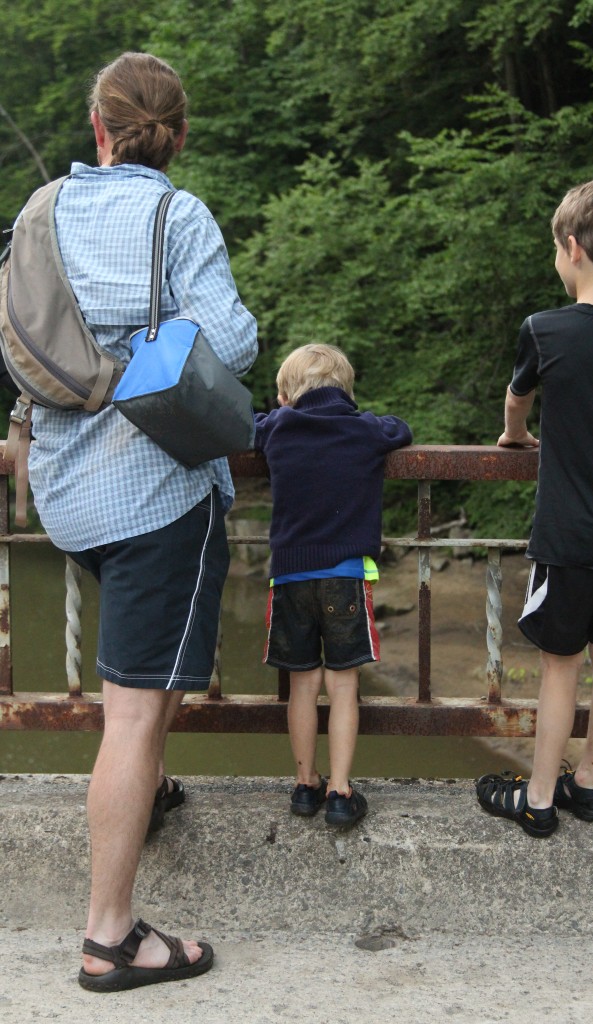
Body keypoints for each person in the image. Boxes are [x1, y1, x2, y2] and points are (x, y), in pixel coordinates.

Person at [25, 52, 258, 988]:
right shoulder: (178, 214)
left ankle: (147, 796)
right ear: (178, 135)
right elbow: (232, 341)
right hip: (157, 491)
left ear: (97, 127)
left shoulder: (41, 213)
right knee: (131, 710)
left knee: (141, 677)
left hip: (68, 497)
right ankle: (110, 938)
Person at [475, 177, 593, 838]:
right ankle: (589, 784)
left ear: (575, 247)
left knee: (562, 668)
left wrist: (515, 437)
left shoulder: (545, 329)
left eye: (556, 247)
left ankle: (536, 798)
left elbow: (516, 401)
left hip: (565, 536)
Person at [254, 344, 412, 827]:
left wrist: (277, 412)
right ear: (347, 390)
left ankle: (306, 784)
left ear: (286, 395)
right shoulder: (364, 428)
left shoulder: (277, 427)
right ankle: (341, 793)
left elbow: (251, 424)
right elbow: (399, 429)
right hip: (345, 575)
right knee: (343, 686)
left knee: (302, 686)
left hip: (290, 578)